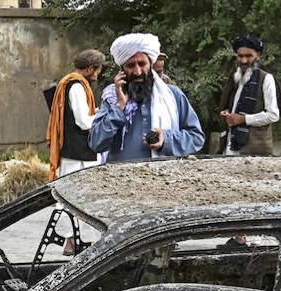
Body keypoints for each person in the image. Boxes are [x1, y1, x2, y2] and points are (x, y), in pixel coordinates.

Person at [89, 33, 205, 162]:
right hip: (120, 179)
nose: (137, 71)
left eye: (142, 64)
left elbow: (196, 138)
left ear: (150, 64)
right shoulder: (112, 98)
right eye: (131, 65)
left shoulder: (172, 95)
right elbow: (95, 143)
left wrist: (166, 139)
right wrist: (119, 108)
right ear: (122, 69)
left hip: (163, 178)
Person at [218, 34, 281, 156]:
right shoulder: (236, 77)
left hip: (255, 151)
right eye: (240, 56)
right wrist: (227, 114)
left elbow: (273, 115)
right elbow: (234, 107)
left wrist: (243, 119)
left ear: (258, 56)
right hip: (231, 147)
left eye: (249, 56)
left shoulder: (266, 79)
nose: (243, 61)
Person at [47, 49, 105, 181]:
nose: (98, 75)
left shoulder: (71, 83)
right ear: (90, 69)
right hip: (78, 158)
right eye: (98, 70)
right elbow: (83, 122)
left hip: (74, 154)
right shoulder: (77, 87)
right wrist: (102, 117)